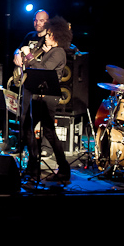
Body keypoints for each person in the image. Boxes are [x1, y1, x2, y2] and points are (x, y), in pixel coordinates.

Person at [18, 16, 73, 183]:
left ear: (56, 36)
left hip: (47, 98)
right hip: (38, 96)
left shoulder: (58, 52)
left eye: (49, 34)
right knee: (28, 128)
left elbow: (42, 70)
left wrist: (28, 55)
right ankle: (33, 166)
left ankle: (62, 168)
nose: (46, 37)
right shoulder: (51, 52)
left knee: (48, 132)